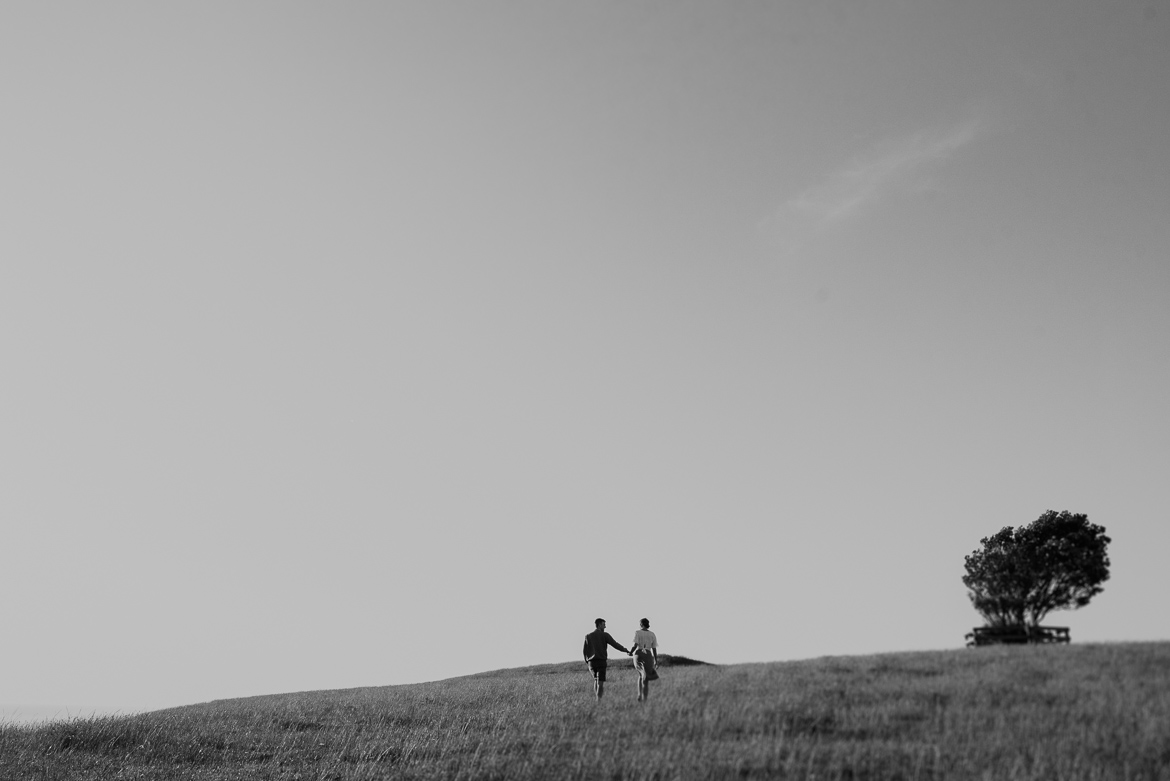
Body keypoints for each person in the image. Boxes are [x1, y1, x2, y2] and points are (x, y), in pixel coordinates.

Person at [582, 618, 631, 700]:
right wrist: (625, 650)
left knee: (595, 680)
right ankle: (599, 701)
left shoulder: (588, 636)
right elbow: (615, 644)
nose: (605, 627)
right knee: (600, 682)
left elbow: (585, 650)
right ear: (599, 625)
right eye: (604, 625)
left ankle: (597, 699)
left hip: (591, 663)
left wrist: (587, 660)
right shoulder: (605, 635)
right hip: (601, 661)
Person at [630, 617, 659, 702]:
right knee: (646, 678)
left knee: (640, 674)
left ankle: (639, 694)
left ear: (641, 624)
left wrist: (630, 652)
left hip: (638, 654)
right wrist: (656, 661)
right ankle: (644, 698)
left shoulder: (637, 632)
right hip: (648, 654)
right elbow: (654, 649)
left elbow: (635, 645)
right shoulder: (652, 634)